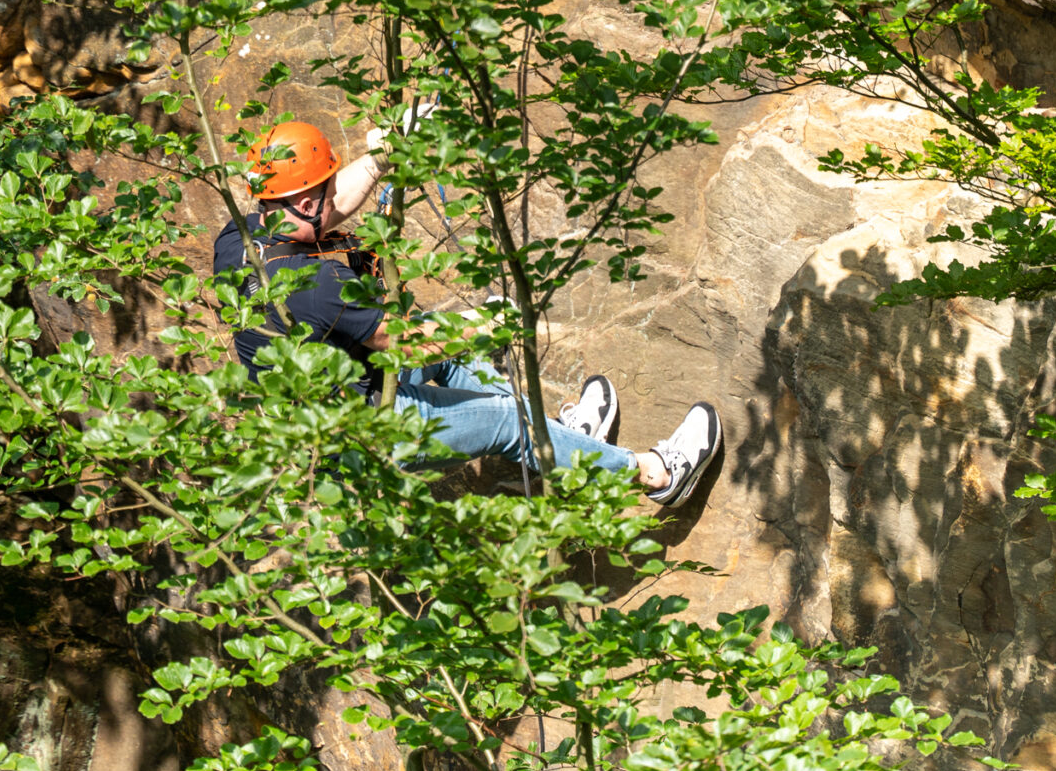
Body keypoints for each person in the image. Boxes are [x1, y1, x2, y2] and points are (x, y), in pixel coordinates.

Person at [212, 118, 723, 511]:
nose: (332, 197)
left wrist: (381, 158)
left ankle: (566, 444)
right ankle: (654, 475)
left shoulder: (238, 239)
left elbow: (329, 204)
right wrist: (488, 325)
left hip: (335, 396)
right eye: (323, 189)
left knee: (451, 358)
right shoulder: (316, 285)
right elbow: (405, 343)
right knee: (506, 419)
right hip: (364, 433)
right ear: (304, 203)